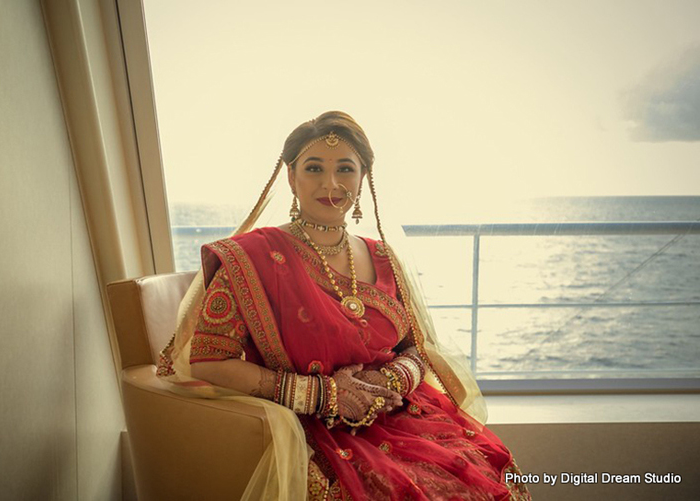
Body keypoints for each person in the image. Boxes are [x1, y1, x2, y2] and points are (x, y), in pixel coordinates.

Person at [157, 111, 531, 500]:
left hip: (400, 415)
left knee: (489, 476)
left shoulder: (383, 256)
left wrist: (389, 380)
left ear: (363, 178)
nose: (331, 184)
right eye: (314, 167)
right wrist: (323, 394)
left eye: (345, 169)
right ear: (291, 177)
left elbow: (416, 349)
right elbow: (208, 360)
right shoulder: (251, 257)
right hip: (307, 425)